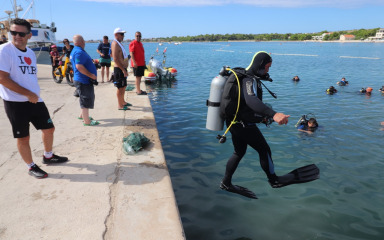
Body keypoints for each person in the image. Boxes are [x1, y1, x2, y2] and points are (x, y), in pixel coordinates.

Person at [219, 51, 319, 199]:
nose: (268, 70)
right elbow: (251, 100)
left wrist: (263, 118)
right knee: (264, 150)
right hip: (242, 124)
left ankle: (226, 183)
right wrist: (274, 114)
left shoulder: (246, 77)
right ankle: (274, 180)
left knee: (239, 151)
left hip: (234, 122)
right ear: (259, 65)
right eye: (267, 67)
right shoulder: (248, 80)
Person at [0, 18, 68, 179]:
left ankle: (48, 156)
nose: (17, 36)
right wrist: (27, 94)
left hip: (35, 100)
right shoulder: (4, 51)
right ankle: (30, 166)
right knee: (23, 137)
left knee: (49, 129)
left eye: (21, 33)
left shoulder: (30, 52)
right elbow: (2, 78)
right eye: (13, 32)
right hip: (15, 103)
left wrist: (33, 94)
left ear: (29, 35)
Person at [70, 34, 99, 126]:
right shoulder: (79, 52)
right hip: (83, 80)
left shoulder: (75, 50)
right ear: (81, 42)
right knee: (85, 100)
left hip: (81, 79)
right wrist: (91, 75)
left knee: (84, 98)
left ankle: (82, 116)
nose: (84, 42)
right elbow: (79, 66)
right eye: (83, 40)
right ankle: (87, 121)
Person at [111, 27, 131, 110]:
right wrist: (123, 70)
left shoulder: (119, 44)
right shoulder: (115, 44)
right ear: (116, 35)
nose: (123, 36)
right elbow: (115, 58)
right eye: (122, 34)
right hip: (119, 69)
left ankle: (123, 101)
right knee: (120, 87)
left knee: (124, 86)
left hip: (123, 68)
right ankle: (120, 105)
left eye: (123, 34)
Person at [129, 31, 147, 95]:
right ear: (135, 36)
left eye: (139, 36)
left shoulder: (140, 44)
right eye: (137, 36)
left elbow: (142, 53)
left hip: (141, 63)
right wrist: (134, 63)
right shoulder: (133, 43)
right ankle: (138, 91)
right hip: (137, 64)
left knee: (140, 77)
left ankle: (138, 89)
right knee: (137, 77)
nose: (138, 37)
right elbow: (131, 53)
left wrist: (144, 62)